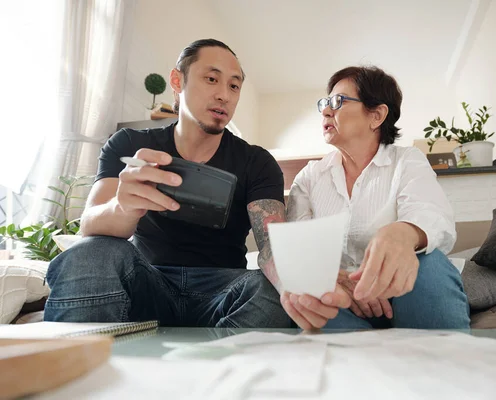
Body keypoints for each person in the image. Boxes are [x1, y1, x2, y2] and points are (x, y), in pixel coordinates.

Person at [44, 39, 291, 328]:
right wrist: (123, 207)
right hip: (147, 279)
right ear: (177, 80)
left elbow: (274, 246)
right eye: (211, 79)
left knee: (271, 289)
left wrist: (292, 286)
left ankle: (212, 363)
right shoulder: (130, 144)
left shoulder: (256, 161)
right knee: (88, 254)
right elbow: (90, 225)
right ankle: (84, 366)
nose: (224, 95)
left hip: (226, 290)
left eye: (234, 86)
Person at [281, 66, 470, 330]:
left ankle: (442, 363)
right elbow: (300, 249)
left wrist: (402, 234)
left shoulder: (406, 161)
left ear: (377, 115)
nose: (326, 110)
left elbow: (433, 216)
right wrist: (335, 279)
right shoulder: (310, 177)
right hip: (343, 301)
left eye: (338, 102)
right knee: (310, 295)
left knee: (427, 261)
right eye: (325, 103)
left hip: (406, 290)